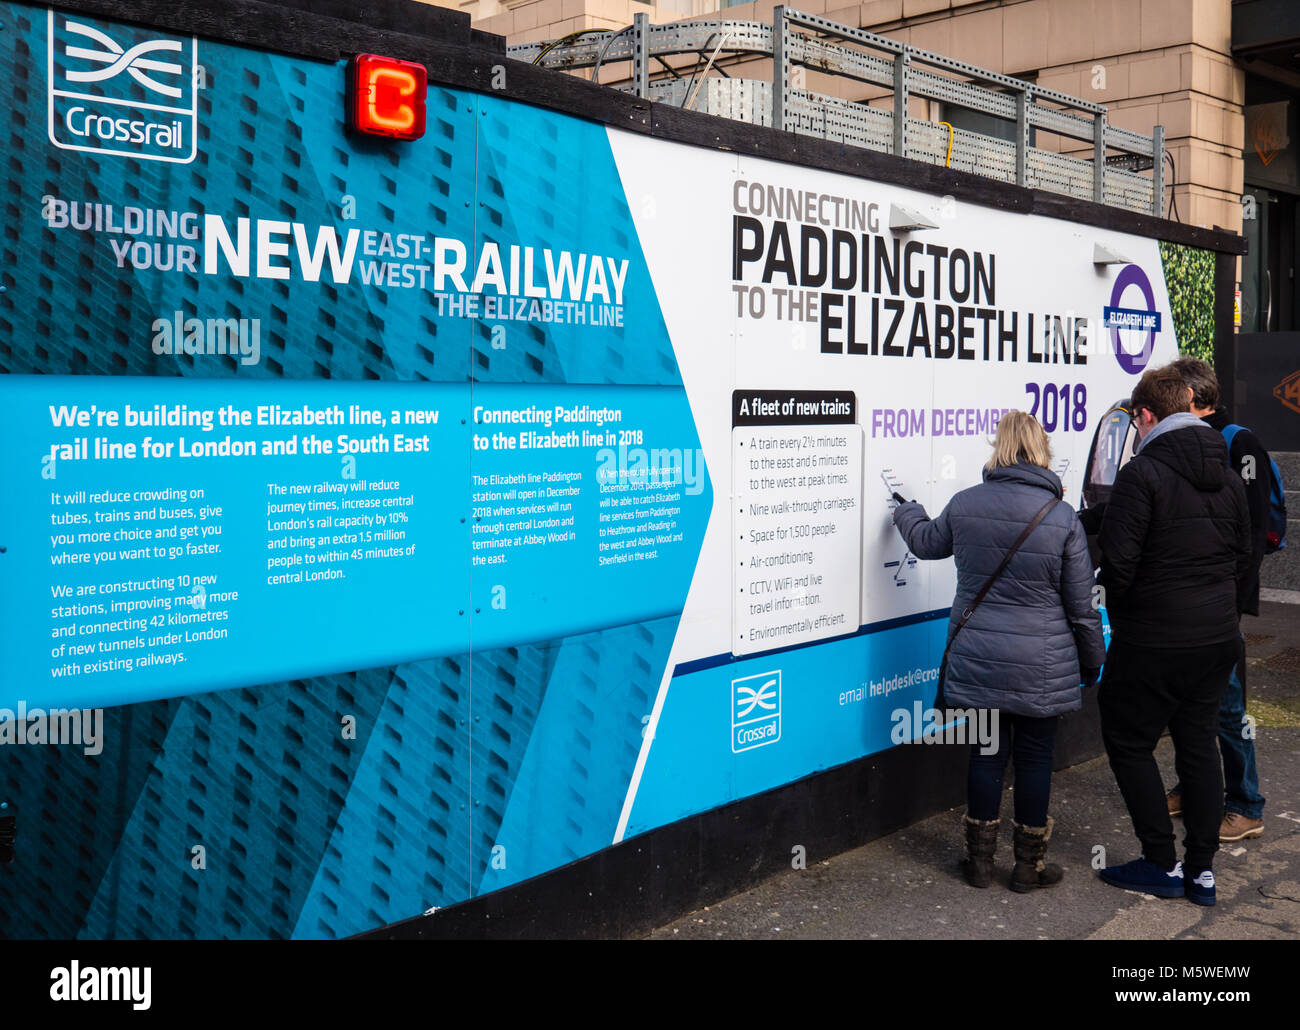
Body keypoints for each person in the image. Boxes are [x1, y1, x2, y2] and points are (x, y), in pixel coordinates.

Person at [893, 411, 1105, 892]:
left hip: (980, 657)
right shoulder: (1062, 517)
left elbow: (926, 543)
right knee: (1034, 760)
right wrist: (1093, 660)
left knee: (986, 754)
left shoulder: (967, 503)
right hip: (1043, 665)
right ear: (1041, 450)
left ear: (999, 448)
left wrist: (906, 511)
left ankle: (979, 864)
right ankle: (1028, 868)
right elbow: (1080, 605)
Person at [1093, 364, 1251, 907]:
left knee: (1128, 741)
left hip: (1154, 640)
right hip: (1216, 638)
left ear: (1145, 415)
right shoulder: (1228, 475)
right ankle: (1202, 873)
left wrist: (1129, 608)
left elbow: (1119, 563)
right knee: (1198, 746)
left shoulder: (1142, 473)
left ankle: (1161, 861)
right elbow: (1242, 556)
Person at [1165, 357, 1267, 841]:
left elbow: (1250, 534)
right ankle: (1194, 786)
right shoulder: (1188, 441)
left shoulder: (1238, 442)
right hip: (1197, 604)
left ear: (1188, 397)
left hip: (1219, 607)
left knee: (1226, 706)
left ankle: (1246, 803)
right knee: (1193, 702)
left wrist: (1233, 606)